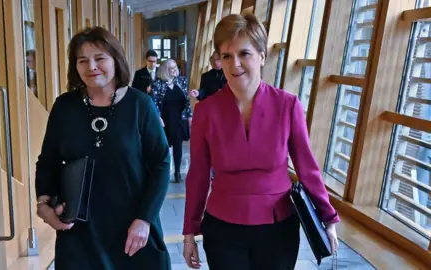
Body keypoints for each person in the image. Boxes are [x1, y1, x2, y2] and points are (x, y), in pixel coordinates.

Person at [182, 14, 340, 270]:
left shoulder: (287, 105)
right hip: (223, 228)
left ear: (262, 56)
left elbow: (307, 168)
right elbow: (198, 174)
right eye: (226, 56)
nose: (236, 64)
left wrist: (328, 217)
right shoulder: (206, 111)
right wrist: (189, 231)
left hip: (278, 228)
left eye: (244, 54)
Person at [35, 26, 171, 270]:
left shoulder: (140, 105)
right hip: (80, 231)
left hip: (133, 228)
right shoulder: (65, 107)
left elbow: (161, 162)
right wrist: (44, 204)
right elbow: (48, 160)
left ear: (116, 60)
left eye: (100, 58)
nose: (91, 67)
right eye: (82, 60)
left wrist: (145, 219)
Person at [151, 59, 192, 183]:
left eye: (176, 67)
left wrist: (190, 116)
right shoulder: (157, 84)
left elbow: (187, 100)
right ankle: (163, 171)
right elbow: (154, 102)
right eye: (172, 68)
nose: (175, 70)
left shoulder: (182, 81)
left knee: (178, 146)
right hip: (165, 120)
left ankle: (178, 172)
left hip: (179, 120)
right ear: (165, 71)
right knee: (164, 147)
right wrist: (158, 117)